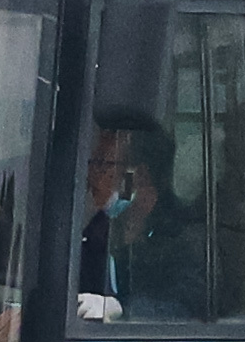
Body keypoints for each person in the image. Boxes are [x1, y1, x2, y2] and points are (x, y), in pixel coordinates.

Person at [73, 121, 206, 323]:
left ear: (138, 175)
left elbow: (188, 307)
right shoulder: (95, 231)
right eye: (91, 164)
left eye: (102, 165)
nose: (91, 176)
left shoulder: (184, 235)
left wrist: (121, 309)